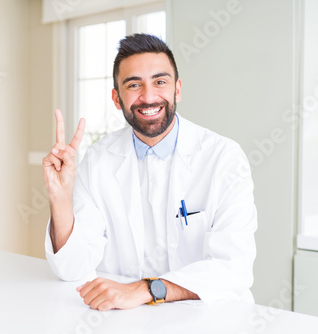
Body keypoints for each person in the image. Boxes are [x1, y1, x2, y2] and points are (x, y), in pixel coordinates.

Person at [42, 34, 257, 311]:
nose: (149, 96)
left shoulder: (223, 158)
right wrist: (60, 199)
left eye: (160, 81)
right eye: (134, 85)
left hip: (208, 317)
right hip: (126, 320)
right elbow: (72, 268)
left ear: (177, 89)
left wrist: (147, 289)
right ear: (116, 98)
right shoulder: (98, 159)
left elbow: (233, 268)